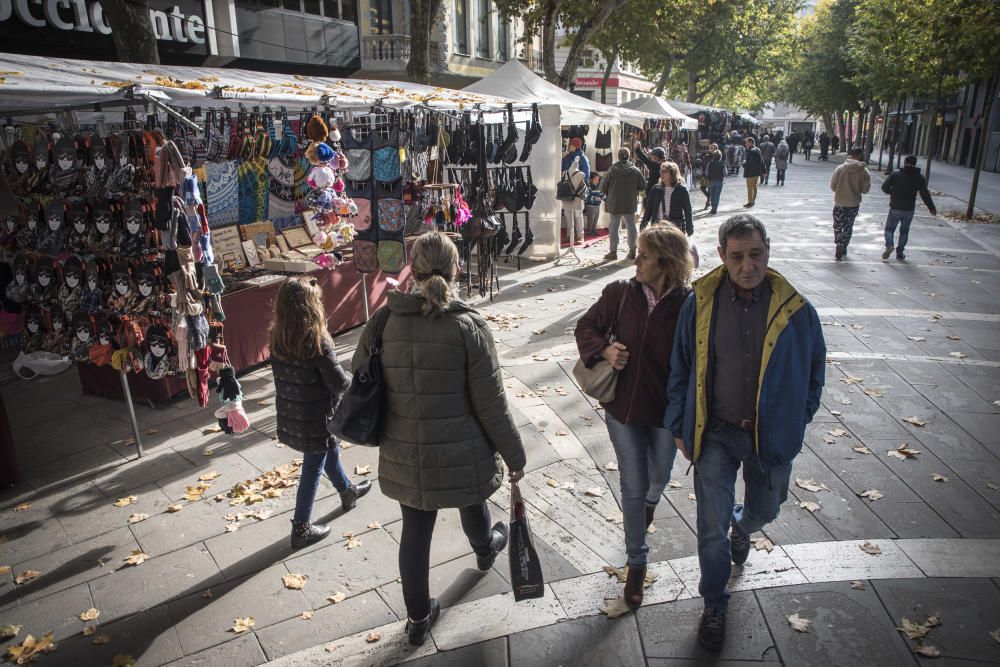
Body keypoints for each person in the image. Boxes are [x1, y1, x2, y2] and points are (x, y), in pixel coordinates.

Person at [355, 232, 526, 647]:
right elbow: (492, 404)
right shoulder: (469, 327)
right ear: (456, 269)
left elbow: (361, 373)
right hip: (462, 446)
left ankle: (417, 619)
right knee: (471, 496)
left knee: (415, 529)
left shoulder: (383, 321)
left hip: (404, 450)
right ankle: (485, 548)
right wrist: (514, 453)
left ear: (412, 270)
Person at [666, 214, 826, 653]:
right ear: (721, 256)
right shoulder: (700, 303)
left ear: (767, 250)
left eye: (755, 254)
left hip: (769, 439)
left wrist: (799, 416)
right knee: (709, 529)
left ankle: (745, 525)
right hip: (715, 434)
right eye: (736, 257)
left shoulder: (796, 309)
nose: (747, 265)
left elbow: (815, 370)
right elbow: (680, 366)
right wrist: (680, 424)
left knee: (766, 509)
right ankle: (715, 604)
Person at [575, 224, 691, 610]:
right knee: (633, 484)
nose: (635, 260)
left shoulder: (689, 304)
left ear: (666, 261)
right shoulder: (620, 293)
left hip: (665, 414)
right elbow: (586, 325)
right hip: (623, 409)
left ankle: (650, 504)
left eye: (643, 255)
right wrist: (605, 351)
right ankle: (637, 565)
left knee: (657, 478)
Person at [269, 278, 372, 549]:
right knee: (313, 466)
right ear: (309, 307)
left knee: (328, 449)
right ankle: (301, 527)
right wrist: (358, 378)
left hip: (293, 414)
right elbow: (339, 383)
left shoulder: (277, 336)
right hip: (316, 416)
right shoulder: (316, 339)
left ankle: (346, 491)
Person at [880, 155, 937, 261]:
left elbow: (884, 187)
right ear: (915, 164)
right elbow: (925, 194)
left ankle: (889, 245)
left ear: (905, 162)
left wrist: (893, 193)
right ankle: (900, 252)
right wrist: (931, 208)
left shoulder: (896, 174)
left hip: (895, 207)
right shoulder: (919, 177)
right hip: (909, 209)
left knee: (889, 229)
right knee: (904, 231)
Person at [602, 147, 649, 261]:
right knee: (631, 227)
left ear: (618, 156)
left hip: (614, 203)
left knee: (613, 227)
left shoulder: (612, 170)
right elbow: (642, 186)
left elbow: (603, 186)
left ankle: (613, 252)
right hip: (629, 202)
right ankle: (632, 251)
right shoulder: (635, 170)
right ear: (629, 156)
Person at [830, 147, 872, 259]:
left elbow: (833, 186)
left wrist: (840, 190)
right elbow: (865, 190)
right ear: (859, 155)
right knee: (848, 225)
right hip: (854, 203)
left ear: (850, 155)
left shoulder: (840, 168)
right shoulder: (864, 171)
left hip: (840, 202)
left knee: (838, 224)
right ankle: (844, 246)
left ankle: (838, 243)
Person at [641, 161, 693, 236]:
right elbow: (648, 209)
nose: (661, 174)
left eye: (664, 171)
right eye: (661, 171)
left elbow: (688, 210)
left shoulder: (681, 190)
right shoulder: (656, 189)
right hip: (658, 228)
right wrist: (643, 226)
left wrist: (689, 229)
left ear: (672, 173)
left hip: (675, 228)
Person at [741, 138, 762, 208]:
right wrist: (764, 171)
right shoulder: (757, 149)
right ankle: (753, 201)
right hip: (756, 172)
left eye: (746, 143)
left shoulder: (750, 151)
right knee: (754, 187)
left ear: (750, 143)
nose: (745, 144)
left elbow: (749, 163)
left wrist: (744, 163)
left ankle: (750, 202)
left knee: (750, 188)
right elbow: (761, 161)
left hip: (750, 172)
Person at [707, 149, 726, 214]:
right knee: (717, 195)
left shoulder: (710, 163)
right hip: (719, 181)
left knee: (712, 195)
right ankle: (715, 208)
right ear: (720, 156)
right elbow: (725, 172)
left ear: (713, 156)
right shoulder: (722, 163)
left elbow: (706, 172)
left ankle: (713, 208)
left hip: (711, 181)